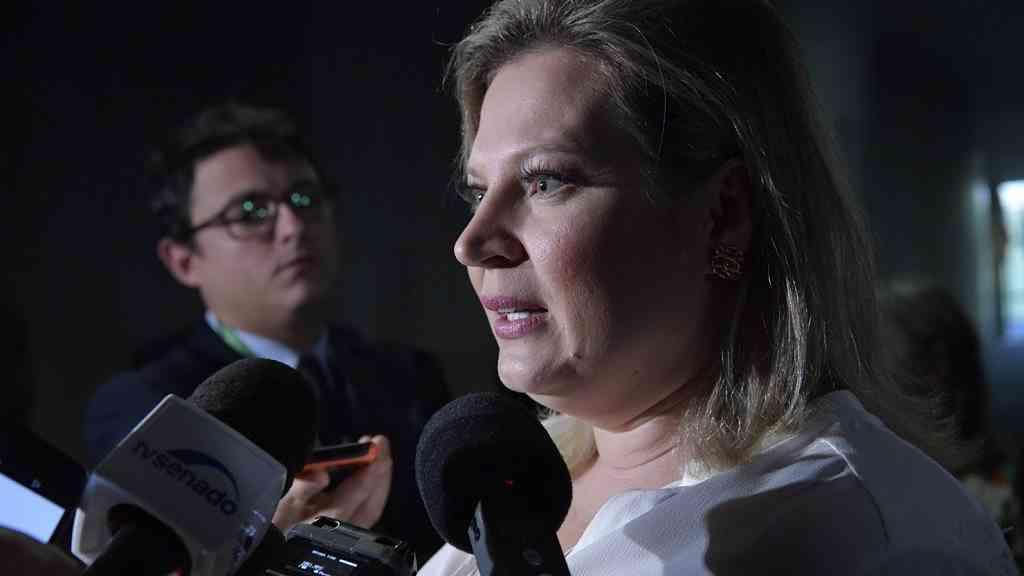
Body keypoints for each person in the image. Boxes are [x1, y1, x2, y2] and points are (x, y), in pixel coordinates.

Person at [420, 0, 1018, 574]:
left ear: (724, 213)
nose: (472, 243)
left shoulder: (857, 537)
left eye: (546, 182)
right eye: (479, 191)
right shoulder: (508, 492)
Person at [84, 103, 448, 561]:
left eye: (304, 198)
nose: (294, 228)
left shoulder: (408, 376)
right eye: (250, 211)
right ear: (183, 260)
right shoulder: (147, 406)